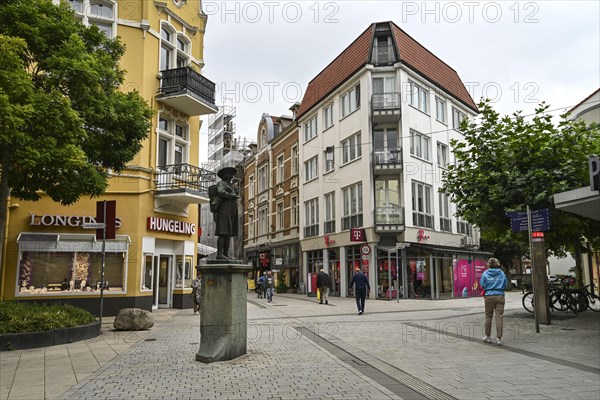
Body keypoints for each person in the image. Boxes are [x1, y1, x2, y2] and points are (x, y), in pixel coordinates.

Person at [210, 167, 239, 259]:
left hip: (231, 209)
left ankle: (225, 254)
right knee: (223, 232)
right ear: (225, 175)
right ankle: (219, 254)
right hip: (224, 209)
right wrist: (231, 195)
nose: (231, 176)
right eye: (229, 174)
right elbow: (220, 192)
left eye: (232, 174)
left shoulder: (231, 186)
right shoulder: (221, 184)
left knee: (229, 233)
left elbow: (236, 194)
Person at [479, 257, 508, 345]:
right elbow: (505, 283)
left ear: (489, 264)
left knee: (488, 316)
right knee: (499, 317)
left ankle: (487, 337)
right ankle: (498, 338)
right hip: (500, 295)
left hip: (489, 296)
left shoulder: (485, 273)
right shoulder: (502, 273)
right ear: (497, 264)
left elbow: (482, 284)